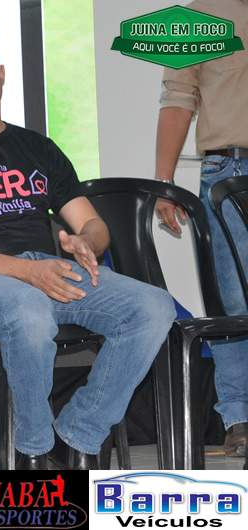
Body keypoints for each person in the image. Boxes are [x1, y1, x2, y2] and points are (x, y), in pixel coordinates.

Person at [0, 31, 176, 470]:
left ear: (0, 74)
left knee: (153, 307)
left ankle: (76, 435)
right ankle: (34, 451)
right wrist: (28, 273)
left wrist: (86, 242)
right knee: (29, 312)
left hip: (47, 270)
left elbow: (93, 224)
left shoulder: (37, 148)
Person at [154, 0, 248, 459]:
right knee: (231, 300)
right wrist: (164, 183)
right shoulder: (196, 18)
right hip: (229, 171)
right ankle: (239, 417)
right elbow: (178, 98)